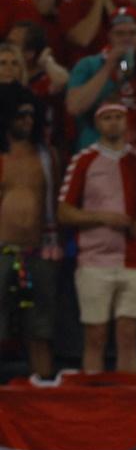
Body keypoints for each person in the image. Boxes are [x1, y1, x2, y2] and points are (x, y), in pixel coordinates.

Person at [56, 102, 136, 374]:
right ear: (98, 124)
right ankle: (92, 401)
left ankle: (126, 401)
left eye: (118, 117)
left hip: (134, 260)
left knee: (128, 335)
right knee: (95, 335)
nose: (113, 123)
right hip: (94, 260)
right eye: (107, 118)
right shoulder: (84, 160)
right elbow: (64, 211)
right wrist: (102, 218)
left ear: (127, 122)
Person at [0, 90, 56, 380]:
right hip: (2, 251)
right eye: (20, 115)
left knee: (40, 332)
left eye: (31, 115)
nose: (27, 121)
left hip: (38, 252)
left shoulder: (46, 157)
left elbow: (56, 203)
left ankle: (42, 400)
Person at [65, 4, 136, 150]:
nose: (126, 39)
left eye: (132, 33)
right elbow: (74, 107)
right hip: (98, 151)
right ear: (109, 36)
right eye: (120, 34)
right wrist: (108, 67)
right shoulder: (88, 65)